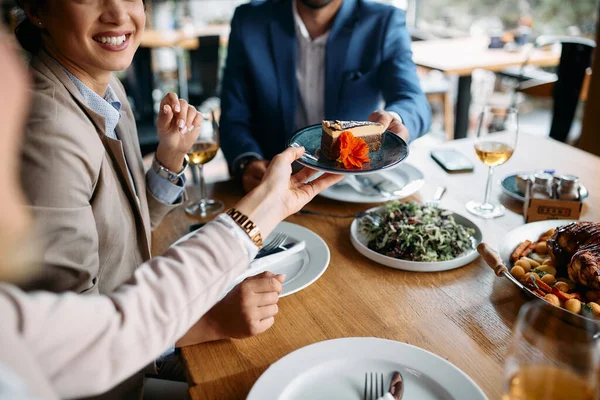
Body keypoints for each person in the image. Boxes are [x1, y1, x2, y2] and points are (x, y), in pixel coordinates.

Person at [0, 23, 343, 399]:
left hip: (143, 332)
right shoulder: (48, 125)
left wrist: (169, 156)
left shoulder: (105, 88)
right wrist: (206, 319)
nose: (118, 12)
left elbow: (129, 226)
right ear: (37, 10)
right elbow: (83, 346)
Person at [220, 0, 432, 192]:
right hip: (275, 184)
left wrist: (396, 118)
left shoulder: (383, 21)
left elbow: (413, 100)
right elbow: (233, 113)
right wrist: (246, 161)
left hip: (354, 186)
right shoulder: (249, 21)